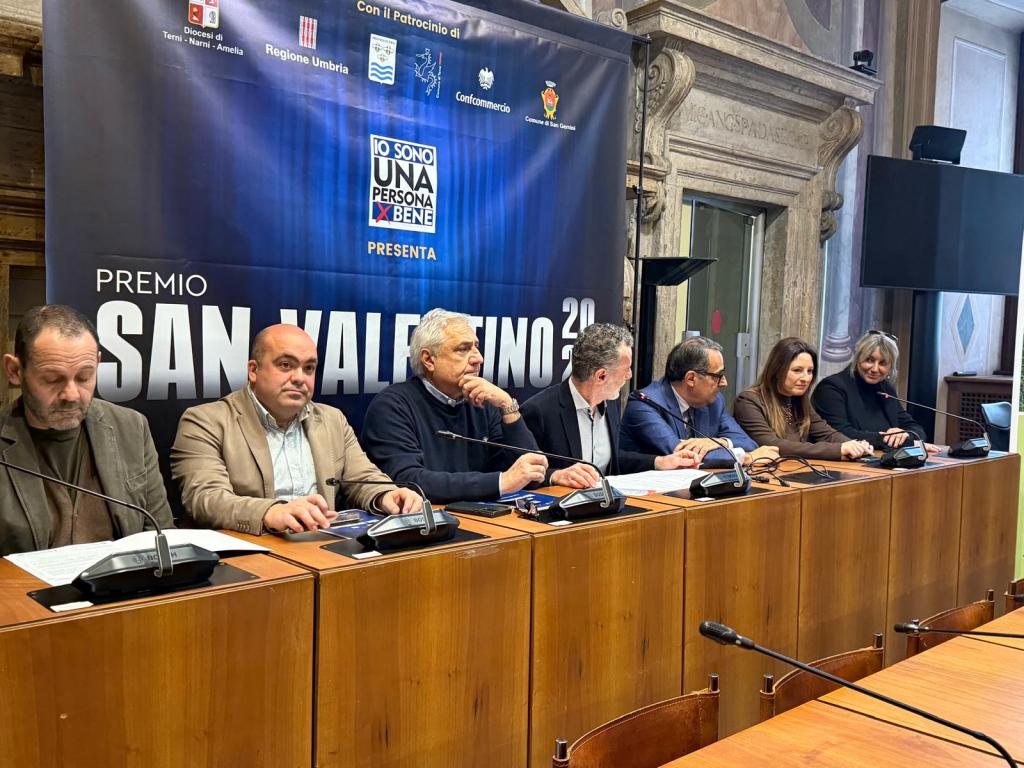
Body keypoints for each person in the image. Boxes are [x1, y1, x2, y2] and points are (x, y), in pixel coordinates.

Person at [171, 324, 421, 535]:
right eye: (285, 365)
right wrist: (270, 512)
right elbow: (206, 500)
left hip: (321, 546)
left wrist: (387, 495)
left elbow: (362, 478)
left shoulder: (332, 419)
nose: (300, 377)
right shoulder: (205, 421)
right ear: (254, 371)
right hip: (252, 552)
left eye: (309, 368)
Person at [0, 304, 173, 555]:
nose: (71, 395)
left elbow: (161, 535)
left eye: (84, 377)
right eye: (52, 379)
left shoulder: (131, 428)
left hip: (122, 590)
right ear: (15, 371)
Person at [361, 308, 547, 503]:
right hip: (426, 523)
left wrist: (507, 405)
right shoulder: (392, 406)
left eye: (476, 347)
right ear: (428, 359)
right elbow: (408, 481)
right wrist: (501, 482)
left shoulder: (484, 402)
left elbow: (530, 474)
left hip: (487, 520)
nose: (478, 358)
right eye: (463, 349)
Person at [521, 324, 697, 488]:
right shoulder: (539, 411)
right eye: (626, 368)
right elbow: (514, 472)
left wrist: (660, 462)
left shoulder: (609, 402)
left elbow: (610, 458)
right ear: (601, 376)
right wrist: (555, 476)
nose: (629, 375)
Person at [620, 336, 779, 468]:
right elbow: (684, 457)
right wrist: (746, 457)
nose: (724, 383)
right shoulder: (645, 404)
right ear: (691, 378)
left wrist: (718, 442)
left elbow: (747, 442)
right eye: (718, 376)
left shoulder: (714, 402)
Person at [734, 337, 873, 461]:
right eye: (797, 370)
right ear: (777, 370)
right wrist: (838, 450)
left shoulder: (798, 399)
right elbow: (773, 445)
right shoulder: (748, 401)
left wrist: (855, 445)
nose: (806, 378)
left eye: (810, 371)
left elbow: (826, 433)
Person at [812, 330, 937, 452]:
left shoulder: (885, 389)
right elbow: (841, 434)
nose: (875, 369)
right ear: (857, 359)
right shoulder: (831, 388)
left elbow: (915, 428)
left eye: (883, 363)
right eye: (869, 360)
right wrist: (898, 441)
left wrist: (905, 436)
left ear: (890, 367)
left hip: (882, 460)